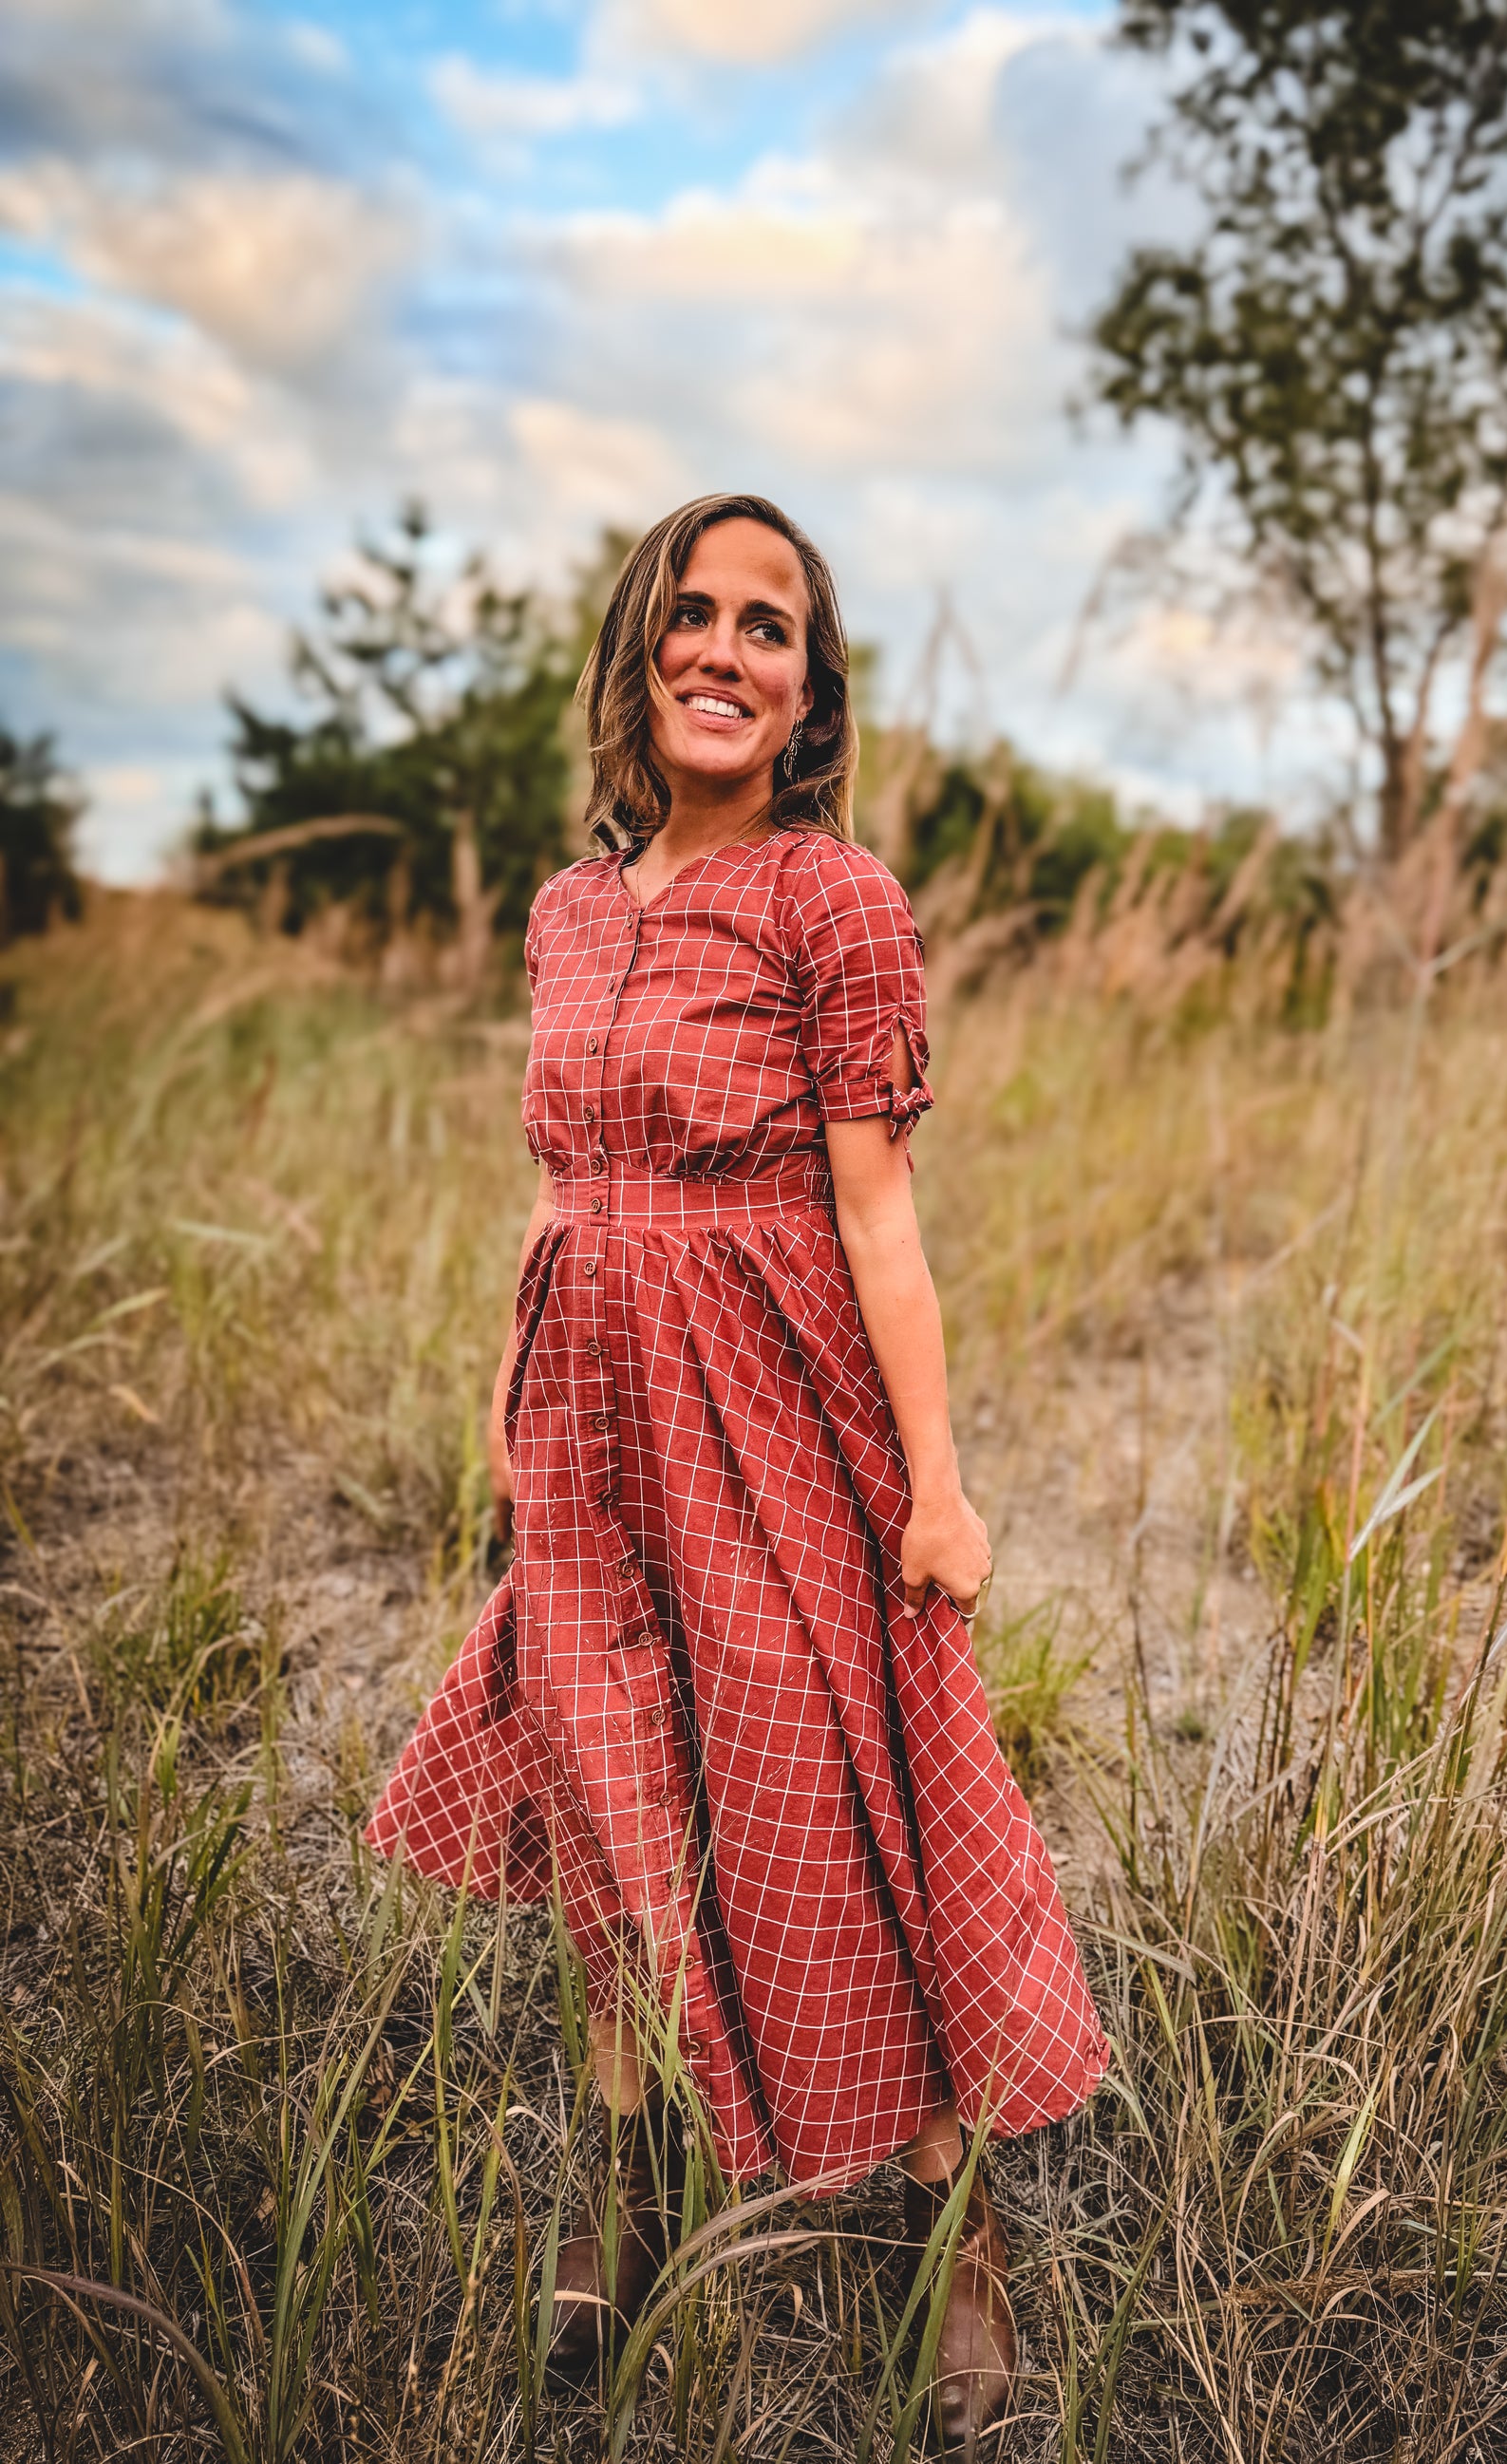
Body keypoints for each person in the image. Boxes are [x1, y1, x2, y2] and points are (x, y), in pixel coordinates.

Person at [366, 492, 1107, 2444]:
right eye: (689, 612)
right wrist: (528, 1405)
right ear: (638, 650)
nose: (722, 646)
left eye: (765, 624)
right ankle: (622, 2184)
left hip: (774, 1412)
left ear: (806, 684)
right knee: (614, 1801)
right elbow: (558, 1180)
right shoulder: (565, 906)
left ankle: (956, 2239)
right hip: (585, 1429)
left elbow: (881, 1220)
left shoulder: (828, 898)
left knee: (823, 1801)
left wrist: (935, 1487)